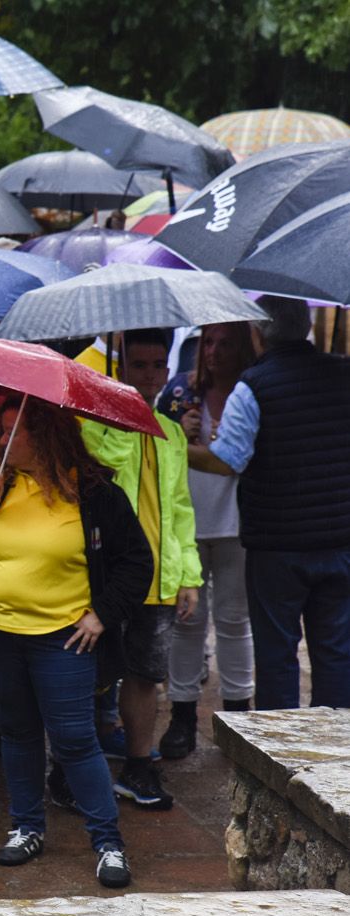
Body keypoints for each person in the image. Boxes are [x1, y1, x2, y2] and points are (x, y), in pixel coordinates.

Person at [0, 397, 150, 888]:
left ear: (42, 438)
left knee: (76, 740)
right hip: (0, 636)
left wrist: (102, 614)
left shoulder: (96, 494)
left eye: (10, 432)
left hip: (64, 641)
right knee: (17, 736)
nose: (0, 440)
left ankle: (108, 843)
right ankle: (26, 827)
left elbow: (136, 562)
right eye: (0, 430)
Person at [187, 296, 350, 710]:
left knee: (277, 655)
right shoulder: (343, 372)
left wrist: (178, 448)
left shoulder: (255, 385)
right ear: (308, 326)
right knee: (335, 652)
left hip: (276, 544)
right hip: (339, 538)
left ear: (257, 333)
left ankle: (279, 761)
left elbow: (227, 461)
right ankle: (332, 756)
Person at [81, 328, 201, 811]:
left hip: (159, 575)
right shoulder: (98, 423)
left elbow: (180, 507)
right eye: (139, 366)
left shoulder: (170, 433)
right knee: (93, 672)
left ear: (168, 372)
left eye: (157, 367)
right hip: (112, 576)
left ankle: (137, 765)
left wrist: (188, 572)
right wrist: (120, 412)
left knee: (146, 674)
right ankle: (77, 765)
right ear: (121, 368)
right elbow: (106, 459)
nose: (150, 375)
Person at [157, 322, 256, 757]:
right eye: (208, 342)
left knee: (235, 621)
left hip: (237, 523)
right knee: (187, 623)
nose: (213, 352)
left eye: (224, 343)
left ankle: (238, 714)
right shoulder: (180, 393)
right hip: (188, 522)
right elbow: (157, 445)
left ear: (243, 348)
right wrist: (179, 426)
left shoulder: (251, 393)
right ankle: (182, 714)